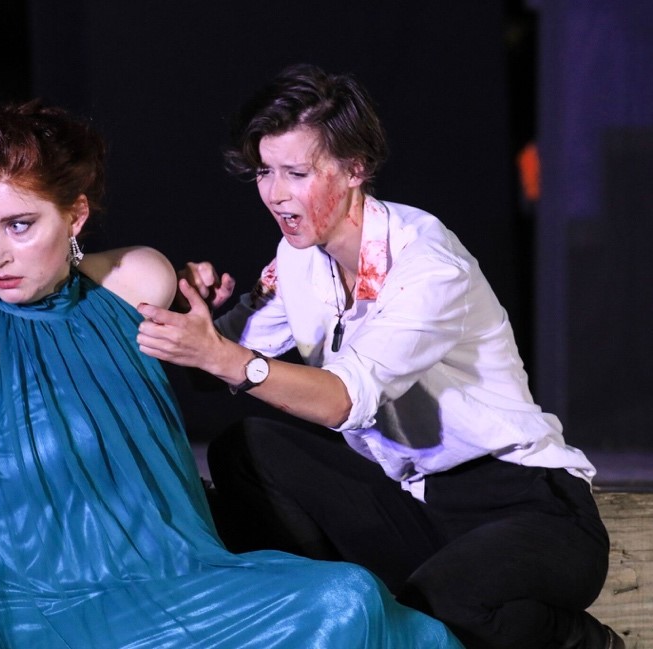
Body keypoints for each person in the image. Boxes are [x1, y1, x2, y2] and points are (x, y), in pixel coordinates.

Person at [0, 99, 463, 649]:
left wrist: (198, 298)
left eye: (20, 225)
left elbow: (165, 305)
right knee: (344, 601)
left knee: (399, 622)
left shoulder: (135, 284)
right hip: (51, 616)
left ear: (75, 215)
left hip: (178, 581)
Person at [136, 64, 622, 649]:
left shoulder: (428, 265)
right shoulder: (298, 258)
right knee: (247, 450)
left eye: (296, 173)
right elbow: (223, 364)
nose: (275, 193)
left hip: (527, 505)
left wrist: (222, 356)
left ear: (355, 169)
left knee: (439, 606)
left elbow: (343, 400)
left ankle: (585, 643)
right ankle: (322, 617)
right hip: (417, 504)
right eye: (265, 171)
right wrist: (195, 317)